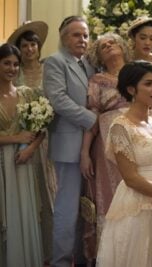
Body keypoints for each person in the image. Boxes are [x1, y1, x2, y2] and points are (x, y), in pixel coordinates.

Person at [96, 60, 152, 266]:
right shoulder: (120, 127)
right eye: (148, 83)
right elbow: (131, 179)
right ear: (131, 89)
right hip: (137, 204)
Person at [43, 16, 97, 267]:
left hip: (90, 146)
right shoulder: (55, 61)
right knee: (67, 209)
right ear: (64, 37)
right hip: (68, 145)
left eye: (85, 35)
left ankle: (82, 257)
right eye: (76, 35)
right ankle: (61, 262)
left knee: (84, 209)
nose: (82, 40)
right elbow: (58, 99)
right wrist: (91, 119)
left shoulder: (87, 65)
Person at [7, 20, 56, 264]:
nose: (29, 50)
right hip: (21, 141)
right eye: (24, 45)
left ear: (38, 47)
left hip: (47, 140)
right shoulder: (16, 74)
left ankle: (48, 251)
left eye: (33, 45)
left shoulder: (50, 68)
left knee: (48, 195)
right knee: (27, 196)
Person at [80, 32, 131, 262]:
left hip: (138, 140)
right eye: (103, 46)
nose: (109, 46)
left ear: (122, 47)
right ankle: (112, 257)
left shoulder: (139, 71)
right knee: (111, 196)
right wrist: (84, 153)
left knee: (136, 193)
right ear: (98, 56)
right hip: (107, 145)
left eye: (112, 43)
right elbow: (93, 116)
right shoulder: (97, 80)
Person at [0, 43, 44, 267]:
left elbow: (41, 128)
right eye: (6, 63)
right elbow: (21, 134)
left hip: (22, 163)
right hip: (1, 164)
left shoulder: (26, 93)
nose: (12, 68)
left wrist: (30, 149)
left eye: (15, 64)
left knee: (23, 215)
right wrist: (17, 139)